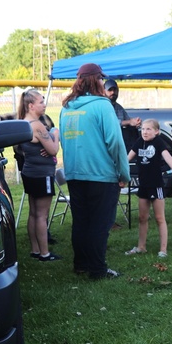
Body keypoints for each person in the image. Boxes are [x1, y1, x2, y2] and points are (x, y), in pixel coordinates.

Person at [59, 63, 132, 279]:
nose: (103, 82)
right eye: (101, 79)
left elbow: (64, 141)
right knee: (100, 223)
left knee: (81, 221)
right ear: (96, 80)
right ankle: (98, 270)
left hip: (74, 173)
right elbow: (115, 142)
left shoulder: (66, 108)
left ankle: (81, 264)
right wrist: (123, 173)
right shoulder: (103, 105)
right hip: (101, 174)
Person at [126, 119, 172, 258]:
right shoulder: (139, 142)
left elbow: (169, 159)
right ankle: (141, 247)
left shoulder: (158, 142)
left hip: (156, 185)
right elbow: (127, 158)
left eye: (148, 129)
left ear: (156, 131)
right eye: (143, 129)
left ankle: (163, 249)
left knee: (159, 218)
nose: (145, 132)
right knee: (142, 218)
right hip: (143, 186)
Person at [16, 89, 61, 261]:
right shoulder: (37, 125)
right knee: (42, 215)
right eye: (41, 102)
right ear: (31, 106)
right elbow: (53, 150)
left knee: (33, 213)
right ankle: (45, 253)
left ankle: (35, 250)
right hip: (42, 175)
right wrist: (55, 134)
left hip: (29, 172)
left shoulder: (23, 123)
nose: (44, 105)